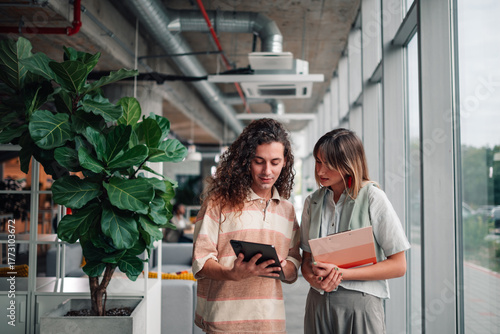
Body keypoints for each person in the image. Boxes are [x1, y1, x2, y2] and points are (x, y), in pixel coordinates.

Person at [192, 118, 302, 333]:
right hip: (223, 323)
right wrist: (232, 273)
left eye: (275, 162)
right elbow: (201, 261)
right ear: (246, 160)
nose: (267, 171)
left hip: (270, 323)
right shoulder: (218, 202)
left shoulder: (287, 211)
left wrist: (282, 267)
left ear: (286, 161)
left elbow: (294, 265)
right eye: (258, 161)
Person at [300, 128, 410, 334]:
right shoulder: (312, 202)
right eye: (318, 161)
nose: (321, 171)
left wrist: (342, 274)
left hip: (360, 305)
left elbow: (399, 265)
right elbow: (306, 260)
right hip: (317, 302)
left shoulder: (372, 197)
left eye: (329, 165)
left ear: (348, 165)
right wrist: (311, 277)